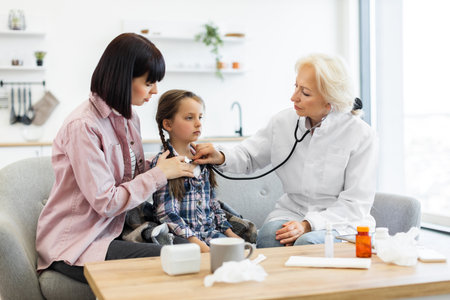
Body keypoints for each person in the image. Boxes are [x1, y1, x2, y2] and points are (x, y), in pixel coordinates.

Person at [35, 33, 195, 283]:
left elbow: (131, 174)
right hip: (78, 243)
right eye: (149, 82)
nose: (155, 90)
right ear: (123, 77)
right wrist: (161, 174)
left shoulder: (130, 118)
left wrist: (173, 160)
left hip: (116, 230)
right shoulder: (83, 126)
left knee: (188, 248)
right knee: (171, 258)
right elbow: (106, 202)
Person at [193, 53, 378, 248]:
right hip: (292, 213)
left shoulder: (361, 136)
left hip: (340, 221)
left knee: (307, 243)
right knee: (269, 236)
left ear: (329, 101)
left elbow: (355, 203)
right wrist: (221, 156)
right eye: (296, 87)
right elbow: (249, 155)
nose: (293, 97)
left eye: (305, 93)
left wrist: (308, 225)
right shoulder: (283, 122)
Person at [150, 89, 241, 253]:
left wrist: (231, 235)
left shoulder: (203, 159)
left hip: (210, 236)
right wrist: (200, 246)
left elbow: (213, 205)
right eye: (189, 118)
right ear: (168, 124)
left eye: (200, 117)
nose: (198, 123)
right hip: (182, 240)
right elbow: (167, 214)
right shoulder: (163, 163)